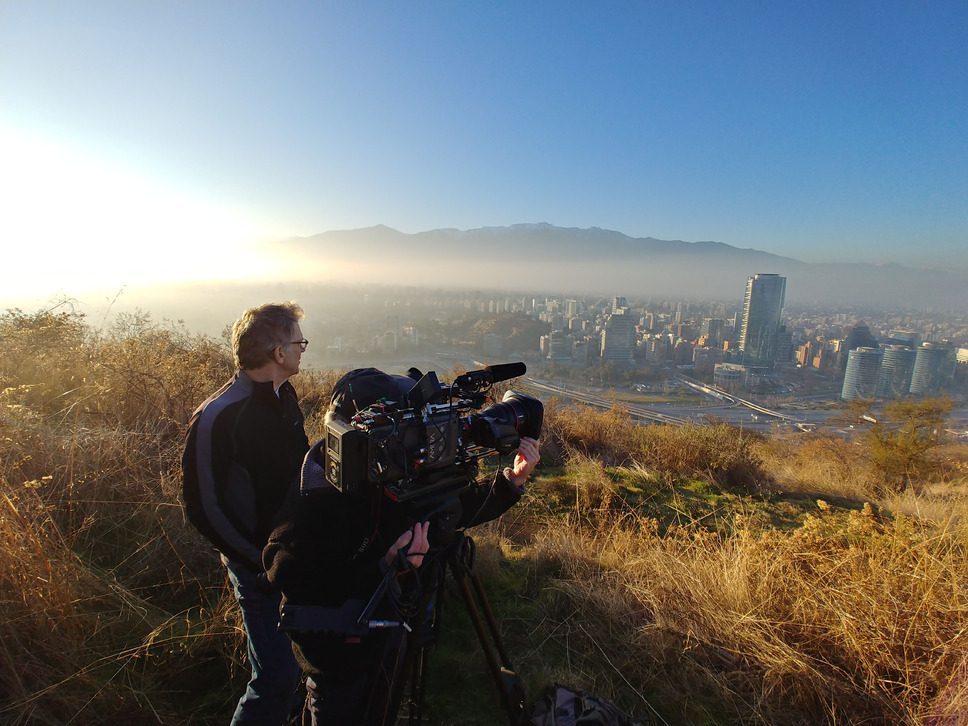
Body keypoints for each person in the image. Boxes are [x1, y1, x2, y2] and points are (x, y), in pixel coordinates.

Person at [263, 367, 541, 726]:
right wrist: (386, 570)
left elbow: (448, 512)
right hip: (341, 661)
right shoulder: (316, 493)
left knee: (383, 700)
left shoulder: (396, 471)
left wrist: (511, 482)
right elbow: (292, 576)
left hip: (391, 635)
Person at [182, 302, 310, 726]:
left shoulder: (284, 396)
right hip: (258, 568)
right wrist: (257, 561)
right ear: (278, 353)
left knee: (300, 666)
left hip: (293, 557)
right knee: (275, 678)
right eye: (299, 343)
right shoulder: (218, 417)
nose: (302, 350)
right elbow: (202, 506)